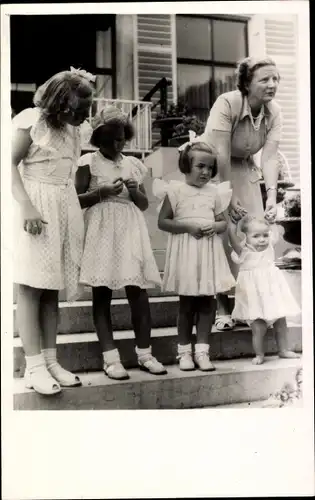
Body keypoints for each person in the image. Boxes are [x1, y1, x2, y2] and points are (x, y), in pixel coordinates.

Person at [12, 67, 95, 395]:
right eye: (80, 111)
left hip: (62, 204)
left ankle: (50, 360)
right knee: (32, 287)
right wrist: (27, 206)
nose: (85, 118)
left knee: (51, 288)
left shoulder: (75, 129)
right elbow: (8, 165)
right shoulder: (32, 120)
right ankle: (33, 366)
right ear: (61, 106)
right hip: (34, 203)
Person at [75, 106, 167, 380]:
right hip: (101, 231)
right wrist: (100, 192)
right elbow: (76, 200)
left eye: (122, 138)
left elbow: (142, 204)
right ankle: (110, 357)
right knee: (101, 293)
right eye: (113, 139)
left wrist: (134, 190)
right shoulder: (88, 162)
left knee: (137, 291)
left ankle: (145, 353)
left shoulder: (134, 164)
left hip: (129, 231)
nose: (119, 144)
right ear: (99, 138)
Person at [203, 56, 283, 331]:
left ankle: (249, 306)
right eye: (264, 79)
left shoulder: (274, 112)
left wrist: (271, 196)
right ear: (247, 83)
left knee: (252, 235)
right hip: (214, 171)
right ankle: (222, 308)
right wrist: (227, 193)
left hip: (247, 171)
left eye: (275, 79)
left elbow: (270, 158)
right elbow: (220, 152)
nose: (272, 84)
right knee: (225, 237)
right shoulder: (228, 103)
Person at [153, 141, 235, 371]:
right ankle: (184, 352)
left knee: (208, 302)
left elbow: (223, 223)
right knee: (187, 304)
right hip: (186, 251)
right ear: (185, 166)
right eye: (200, 166)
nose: (206, 172)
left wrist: (215, 226)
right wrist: (188, 227)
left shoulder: (215, 192)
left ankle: (202, 351)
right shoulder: (175, 190)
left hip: (208, 252)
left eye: (210, 168)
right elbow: (163, 222)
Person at [228, 215, 300, 365]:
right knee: (258, 325)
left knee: (281, 320)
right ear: (245, 236)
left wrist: (271, 220)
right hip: (254, 294)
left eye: (265, 235)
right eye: (256, 236)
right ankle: (259, 354)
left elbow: (276, 230)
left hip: (272, 290)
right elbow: (234, 243)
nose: (262, 240)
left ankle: (283, 349)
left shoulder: (270, 245)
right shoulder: (243, 250)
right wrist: (232, 228)